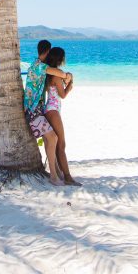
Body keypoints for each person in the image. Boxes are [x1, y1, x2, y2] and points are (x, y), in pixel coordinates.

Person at [23, 39, 73, 186]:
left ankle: (55, 171)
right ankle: (53, 176)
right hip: (33, 111)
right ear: (46, 51)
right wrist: (68, 77)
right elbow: (59, 73)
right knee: (52, 138)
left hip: (37, 110)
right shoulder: (39, 66)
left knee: (51, 138)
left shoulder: (37, 65)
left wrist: (65, 76)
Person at [43, 47, 81, 186]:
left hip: (51, 109)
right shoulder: (56, 76)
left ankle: (61, 173)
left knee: (59, 143)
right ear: (61, 59)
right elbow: (63, 95)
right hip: (53, 110)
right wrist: (70, 84)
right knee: (61, 144)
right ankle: (68, 177)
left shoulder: (50, 73)